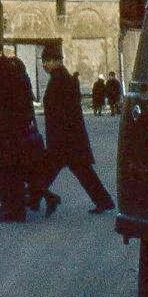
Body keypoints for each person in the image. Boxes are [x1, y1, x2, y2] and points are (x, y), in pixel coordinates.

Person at [38, 47, 116, 214]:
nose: (44, 65)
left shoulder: (60, 79)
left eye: (47, 61)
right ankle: (104, 201)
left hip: (64, 138)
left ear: (57, 61)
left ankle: (30, 200)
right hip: (70, 138)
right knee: (81, 172)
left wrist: (58, 138)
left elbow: (63, 112)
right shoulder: (62, 78)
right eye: (43, 61)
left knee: (48, 171)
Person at [0, 41, 34, 222]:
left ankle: (11, 208)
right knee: (9, 168)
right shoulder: (7, 68)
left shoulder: (2, 70)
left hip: (5, 130)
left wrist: (9, 126)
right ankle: (14, 207)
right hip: (8, 128)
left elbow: (11, 100)